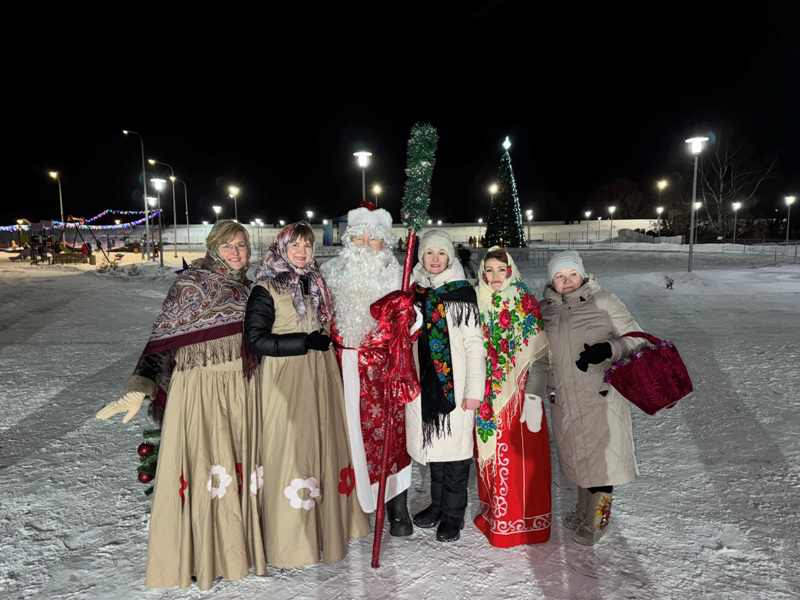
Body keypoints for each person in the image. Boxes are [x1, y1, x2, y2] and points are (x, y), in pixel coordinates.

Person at [96, 220, 264, 589]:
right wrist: (139, 387)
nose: (237, 253)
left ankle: (238, 549)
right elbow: (162, 342)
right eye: (228, 246)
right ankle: (198, 553)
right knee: (203, 468)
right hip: (199, 392)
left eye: (242, 246)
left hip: (241, 392)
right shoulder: (190, 286)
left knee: (237, 469)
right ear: (213, 248)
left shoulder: (251, 290)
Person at [244, 221, 369, 568]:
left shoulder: (317, 283)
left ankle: (328, 528)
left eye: (308, 246)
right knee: (291, 450)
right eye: (295, 245)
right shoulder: (265, 288)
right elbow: (255, 340)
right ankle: (290, 539)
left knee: (322, 445)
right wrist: (303, 343)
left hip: (321, 376)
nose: (302, 252)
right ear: (282, 247)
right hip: (286, 377)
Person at [533, 250, 645, 546]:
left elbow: (638, 338)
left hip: (601, 396)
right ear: (551, 280)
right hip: (564, 398)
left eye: (572, 274)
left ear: (582, 274)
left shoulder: (605, 301)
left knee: (602, 460)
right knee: (577, 457)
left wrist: (608, 350)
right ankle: (583, 508)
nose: (567, 281)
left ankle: (598, 517)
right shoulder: (545, 310)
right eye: (559, 276)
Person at [322, 204, 416, 536]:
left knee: (391, 438)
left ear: (385, 243)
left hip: (382, 371)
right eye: (359, 238)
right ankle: (354, 507)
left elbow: (414, 322)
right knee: (346, 438)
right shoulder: (331, 272)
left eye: (374, 239)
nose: (365, 245)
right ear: (349, 240)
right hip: (341, 368)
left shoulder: (399, 274)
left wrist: (408, 318)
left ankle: (397, 506)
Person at [407, 230, 484, 542]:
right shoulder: (414, 294)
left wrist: (474, 391)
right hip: (425, 387)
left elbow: (475, 346)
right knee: (434, 451)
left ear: (450, 257)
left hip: (456, 387)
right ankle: (437, 506)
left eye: (440, 253)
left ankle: (453, 517)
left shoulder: (462, 294)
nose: (435, 259)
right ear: (421, 258)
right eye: (429, 254)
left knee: (455, 457)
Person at [473, 247, 552, 548]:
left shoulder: (524, 301)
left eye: (500, 270)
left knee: (521, 461)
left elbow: (539, 354)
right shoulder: (475, 300)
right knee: (492, 457)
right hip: (485, 395)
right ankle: (497, 518)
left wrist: (532, 397)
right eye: (489, 270)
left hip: (518, 397)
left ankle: (525, 523)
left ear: (511, 271)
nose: (494, 276)